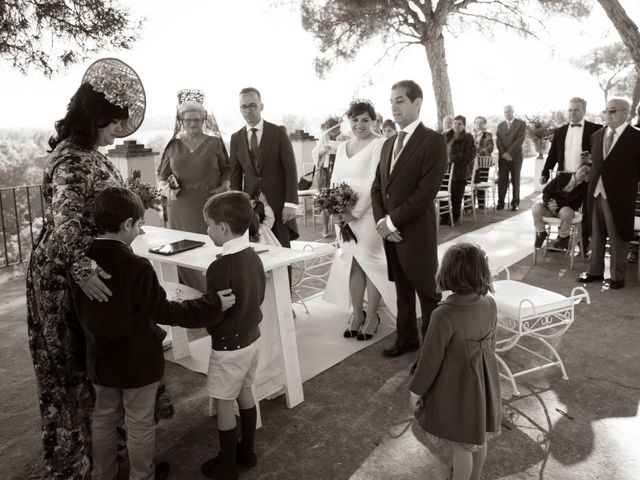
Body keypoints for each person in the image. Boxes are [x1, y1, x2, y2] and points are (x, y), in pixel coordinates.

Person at [25, 58, 145, 478]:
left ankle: (110, 464)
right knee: (74, 374)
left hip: (81, 272)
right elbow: (66, 221)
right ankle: (80, 468)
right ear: (96, 118)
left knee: (96, 372)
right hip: (64, 285)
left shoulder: (86, 153)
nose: (117, 135)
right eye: (113, 126)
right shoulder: (73, 161)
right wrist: (82, 269)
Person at [65, 187, 236, 480]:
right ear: (128, 224)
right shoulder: (137, 266)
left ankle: (103, 475)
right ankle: (141, 476)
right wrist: (212, 304)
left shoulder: (82, 266)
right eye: (139, 223)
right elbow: (165, 312)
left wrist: (80, 358)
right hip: (138, 362)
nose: (139, 229)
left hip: (100, 359)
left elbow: (72, 318)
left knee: (103, 418)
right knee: (139, 422)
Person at [410, 243, 501, 480]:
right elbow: (491, 344)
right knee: (477, 439)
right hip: (484, 384)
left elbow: (430, 359)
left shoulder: (444, 314)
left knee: (461, 448)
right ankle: (476, 477)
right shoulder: (490, 303)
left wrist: (416, 390)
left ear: (447, 272)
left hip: (458, 389)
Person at [371, 80, 447, 359]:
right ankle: (407, 339)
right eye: (391, 100)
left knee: (428, 294)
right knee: (402, 290)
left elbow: (426, 191)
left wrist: (391, 222)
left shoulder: (433, 141)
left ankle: (432, 353)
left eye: (400, 100)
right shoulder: (388, 143)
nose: (394, 105)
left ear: (417, 103)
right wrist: (382, 223)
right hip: (390, 232)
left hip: (416, 231)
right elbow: (377, 187)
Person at [199, 192, 266, 480]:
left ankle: (226, 466)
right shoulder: (254, 255)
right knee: (245, 391)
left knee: (224, 402)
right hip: (252, 338)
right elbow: (259, 295)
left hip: (228, 346)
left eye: (209, 225)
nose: (207, 230)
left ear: (223, 228)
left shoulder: (219, 267)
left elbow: (216, 312)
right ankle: (247, 452)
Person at [323, 100, 398, 341]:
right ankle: (357, 314)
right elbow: (334, 180)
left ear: (374, 121)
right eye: (354, 120)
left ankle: (373, 315)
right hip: (343, 216)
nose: (359, 124)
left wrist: (353, 213)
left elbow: (373, 182)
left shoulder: (380, 144)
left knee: (370, 265)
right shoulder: (343, 146)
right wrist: (334, 209)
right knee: (353, 264)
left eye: (365, 119)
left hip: (366, 215)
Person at [158, 89, 230, 292]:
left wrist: (224, 186)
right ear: (181, 120)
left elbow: (227, 170)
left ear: (204, 120)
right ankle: (189, 298)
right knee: (182, 253)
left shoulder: (215, 143)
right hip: (179, 209)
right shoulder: (172, 145)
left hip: (210, 208)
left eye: (196, 119)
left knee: (210, 253)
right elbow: (162, 177)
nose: (192, 123)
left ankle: (213, 294)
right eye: (187, 119)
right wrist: (166, 188)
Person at [577, 98, 640, 289]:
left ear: (625, 113)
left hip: (620, 196)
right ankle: (595, 272)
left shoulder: (636, 137)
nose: (608, 114)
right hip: (595, 192)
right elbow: (596, 163)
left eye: (612, 111)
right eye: (606, 111)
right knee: (596, 234)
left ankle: (617, 276)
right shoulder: (596, 136)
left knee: (617, 236)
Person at [229, 87, 299, 247]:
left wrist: (290, 203)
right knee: (255, 251)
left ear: (261, 106)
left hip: (279, 204)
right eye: (244, 107)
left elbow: (290, 170)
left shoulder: (278, 132)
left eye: (253, 105)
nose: (249, 110)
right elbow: (235, 176)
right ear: (240, 109)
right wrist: (236, 207)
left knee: (282, 250)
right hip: (251, 206)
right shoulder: (235, 138)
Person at [533, 161, 592, 250]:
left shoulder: (585, 188)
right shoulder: (562, 177)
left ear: (588, 178)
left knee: (566, 212)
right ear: (578, 168)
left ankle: (563, 238)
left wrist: (558, 205)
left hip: (566, 212)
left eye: (588, 173)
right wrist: (549, 202)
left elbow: (576, 205)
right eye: (584, 169)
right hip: (550, 207)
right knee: (536, 207)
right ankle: (541, 232)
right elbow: (546, 191)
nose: (584, 173)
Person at [310, 115, 346, 237]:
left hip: (340, 170)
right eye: (332, 129)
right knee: (325, 200)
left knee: (340, 199)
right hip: (325, 172)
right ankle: (325, 228)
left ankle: (342, 228)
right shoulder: (323, 139)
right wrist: (323, 150)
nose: (335, 131)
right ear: (328, 129)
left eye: (337, 128)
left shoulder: (344, 138)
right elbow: (315, 155)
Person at [444, 115, 475, 224]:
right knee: (444, 193)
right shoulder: (446, 134)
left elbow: (469, 156)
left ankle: (455, 216)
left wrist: (452, 159)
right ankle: (444, 217)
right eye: (455, 123)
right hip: (445, 170)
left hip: (460, 171)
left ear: (464, 125)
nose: (457, 125)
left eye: (460, 124)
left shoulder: (468, 137)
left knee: (456, 196)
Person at [495, 104, 526, 211]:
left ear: (513, 112)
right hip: (502, 158)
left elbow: (520, 140)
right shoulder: (500, 125)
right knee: (502, 180)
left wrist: (509, 153)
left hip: (515, 157)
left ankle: (515, 203)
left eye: (509, 111)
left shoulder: (521, 124)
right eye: (505, 112)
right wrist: (504, 154)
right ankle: (500, 202)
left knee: (515, 180)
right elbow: (498, 141)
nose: (507, 114)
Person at [472, 116, 494, 209]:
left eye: (481, 122)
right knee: (471, 183)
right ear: (474, 123)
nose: (478, 124)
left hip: (483, 162)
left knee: (481, 182)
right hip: (472, 163)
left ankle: (481, 204)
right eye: (477, 122)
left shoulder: (488, 135)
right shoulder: (469, 134)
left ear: (484, 124)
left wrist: (477, 152)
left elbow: (490, 148)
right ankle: (470, 205)